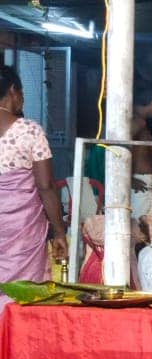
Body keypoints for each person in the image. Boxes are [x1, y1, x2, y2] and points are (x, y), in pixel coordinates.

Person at [0, 64, 67, 313]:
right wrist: (59, 231)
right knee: (24, 293)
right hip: (22, 230)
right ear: (12, 91)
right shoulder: (29, 130)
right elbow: (46, 186)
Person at [131, 79, 152, 241]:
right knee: (138, 231)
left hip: (145, 184)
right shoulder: (137, 121)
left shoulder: (138, 121)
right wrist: (129, 178)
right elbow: (116, 147)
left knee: (150, 230)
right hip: (139, 184)